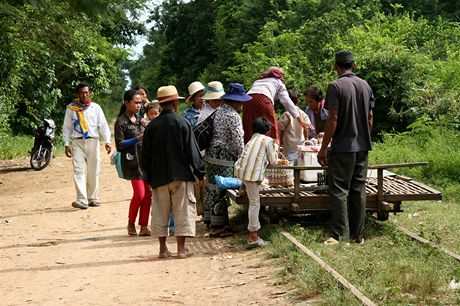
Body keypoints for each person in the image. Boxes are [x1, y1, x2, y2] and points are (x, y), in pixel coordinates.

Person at [317, 50, 375, 245]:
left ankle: (340, 235)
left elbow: (332, 118)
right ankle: (358, 236)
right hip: (362, 146)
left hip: (343, 147)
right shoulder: (365, 85)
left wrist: (324, 147)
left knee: (340, 190)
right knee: (358, 189)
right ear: (354, 66)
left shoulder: (335, 86)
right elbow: (369, 117)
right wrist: (363, 136)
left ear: (336, 67)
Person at [142, 85, 205, 259]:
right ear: (175, 104)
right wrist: (200, 173)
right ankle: (181, 249)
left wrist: (147, 177)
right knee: (182, 210)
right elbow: (192, 151)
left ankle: (162, 249)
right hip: (181, 176)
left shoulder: (151, 127)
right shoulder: (182, 123)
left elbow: (145, 155)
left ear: (161, 105)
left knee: (161, 211)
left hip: (159, 176)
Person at [204, 83, 251, 237]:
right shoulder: (233, 116)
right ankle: (218, 226)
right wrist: (242, 158)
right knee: (222, 188)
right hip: (224, 156)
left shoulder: (219, 112)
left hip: (212, 153)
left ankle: (211, 221)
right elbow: (238, 141)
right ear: (237, 101)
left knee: (213, 186)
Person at [63, 81, 111, 209]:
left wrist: (107, 141)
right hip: (77, 142)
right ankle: (81, 199)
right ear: (77, 94)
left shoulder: (95, 108)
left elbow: (103, 125)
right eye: (82, 93)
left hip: (93, 141)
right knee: (78, 169)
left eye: (86, 92)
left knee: (93, 170)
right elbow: (67, 127)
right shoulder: (71, 108)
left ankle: (93, 198)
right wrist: (66, 144)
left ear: (89, 93)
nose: (85, 95)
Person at [235, 116, 278, 248]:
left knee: (252, 201)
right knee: (255, 203)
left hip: (241, 172)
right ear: (267, 131)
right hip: (252, 175)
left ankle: (253, 234)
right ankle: (253, 236)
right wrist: (276, 148)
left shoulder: (252, 139)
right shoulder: (268, 140)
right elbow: (274, 161)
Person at [114, 89, 151, 236]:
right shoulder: (121, 122)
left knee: (148, 194)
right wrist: (137, 139)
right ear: (126, 103)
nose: (138, 105)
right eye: (135, 102)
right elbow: (120, 145)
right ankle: (131, 223)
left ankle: (143, 226)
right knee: (140, 194)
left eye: (140, 103)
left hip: (144, 161)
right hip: (131, 163)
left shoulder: (141, 120)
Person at [243, 66, 312, 144]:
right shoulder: (279, 82)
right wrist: (300, 120)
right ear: (279, 75)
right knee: (271, 127)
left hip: (247, 100)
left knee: (248, 127)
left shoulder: (258, 81)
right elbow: (287, 101)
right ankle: (273, 150)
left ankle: (247, 150)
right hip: (263, 99)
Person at [182, 81, 206, 218]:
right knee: (196, 184)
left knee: (207, 183)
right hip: (194, 153)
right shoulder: (186, 115)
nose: (202, 99)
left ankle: (207, 214)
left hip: (208, 153)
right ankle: (198, 211)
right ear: (193, 99)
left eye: (203, 96)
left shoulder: (212, 110)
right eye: (199, 97)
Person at [278, 89, 311, 159]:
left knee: (288, 163)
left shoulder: (286, 114)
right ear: (298, 101)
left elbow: (281, 130)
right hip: (300, 144)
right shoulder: (303, 113)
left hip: (288, 145)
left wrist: (279, 142)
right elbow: (306, 128)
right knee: (300, 161)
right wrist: (306, 139)